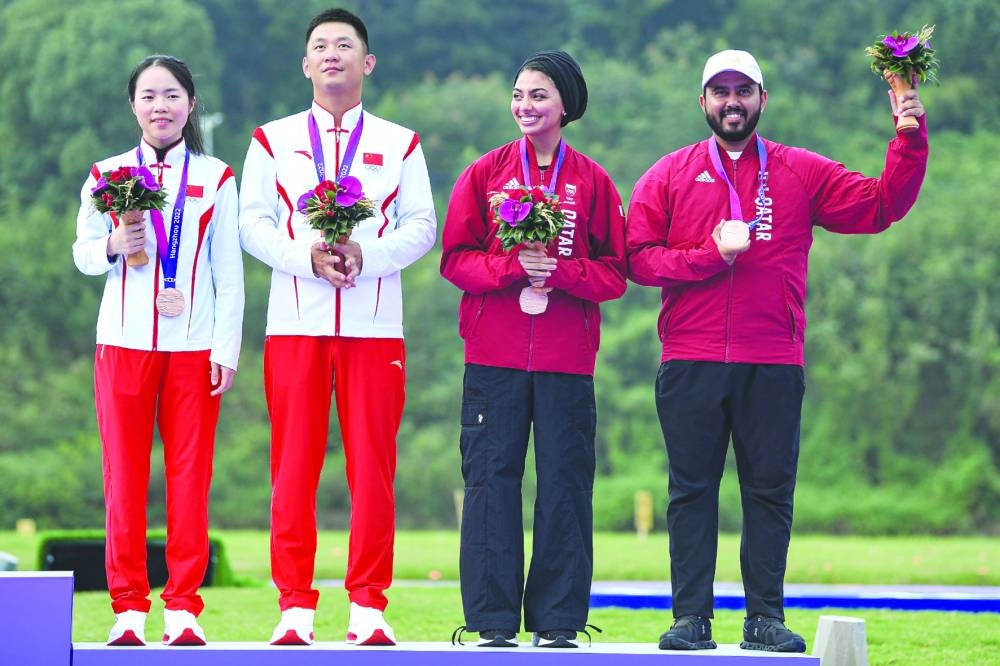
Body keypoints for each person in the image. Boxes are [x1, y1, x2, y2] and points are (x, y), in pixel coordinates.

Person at [626, 50, 928, 652]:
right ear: (703, 102)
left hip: (774, 357)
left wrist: (909, 137)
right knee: (691, 492)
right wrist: (708, 257)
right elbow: (637, 258)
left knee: (769, 491)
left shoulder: (798, 170)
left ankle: (764, 617)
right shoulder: (669, 173)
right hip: (691, 356)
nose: (732, 101)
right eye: (720, 91)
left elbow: (880, 206)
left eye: (744, 90)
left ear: (763, 99)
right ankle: (692, 620)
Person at [238, 7, 436, 646]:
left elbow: (421, 227)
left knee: (373, 470)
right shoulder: (272, 139)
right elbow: (253, 224)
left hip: (375, 327)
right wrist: (308, 258)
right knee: (292, 467)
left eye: (344, 46)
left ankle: (368, 607)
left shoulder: (401, 142)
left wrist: (365, 256)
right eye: (320, 46)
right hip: (296, 322)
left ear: (367, 62)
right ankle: (294, 606)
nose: (332, 55)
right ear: (305, 64)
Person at [441, 50, 626, 649]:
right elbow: (454, 260)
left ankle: (559, 620)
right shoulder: (486, 172)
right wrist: (509, 266)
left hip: (566, 358)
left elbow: (615, 274)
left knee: (566, 482)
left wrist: (564, 272)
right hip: (492, 356)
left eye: (539, 95)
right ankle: (491, 620)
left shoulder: (593, 181)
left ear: (566, 104)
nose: (526, 105)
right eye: (519, 94)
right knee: (490, 480)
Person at [72, 54, 244, 647]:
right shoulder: (106, 174)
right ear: (133, 106)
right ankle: (127, 609)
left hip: (193, 347)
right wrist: (114, 244)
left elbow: (229, 274)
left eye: (171, 95)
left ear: (190, 104)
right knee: (124, 478)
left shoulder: (217, 177)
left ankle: (183, 609)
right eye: (148, 96)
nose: (160, 106)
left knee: (189, 480)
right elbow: (83, 253)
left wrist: (226, 349)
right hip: (120, 345)